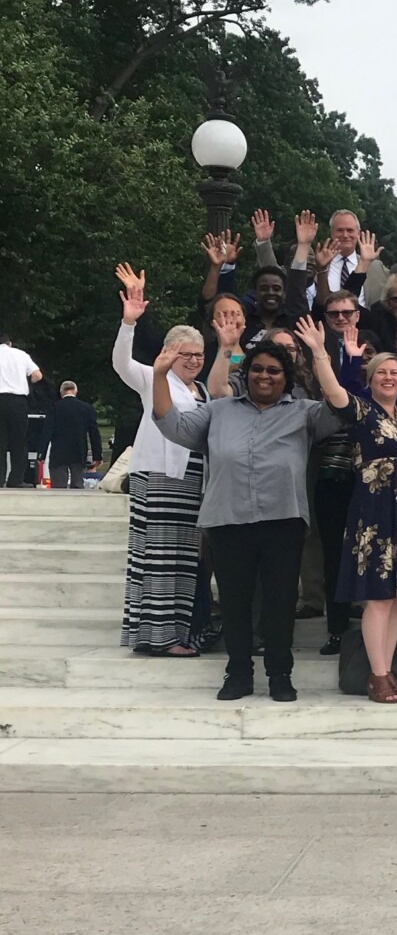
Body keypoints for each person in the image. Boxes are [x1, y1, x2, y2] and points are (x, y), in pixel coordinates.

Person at [152, 336, 344, 702]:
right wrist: (160, 376)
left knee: (280, 601)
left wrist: (320, 354)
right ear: (247, 373)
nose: (264, 376)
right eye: (257, 369)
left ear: (286, 378)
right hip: (228, 520)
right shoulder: (219, 410)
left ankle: (279, 674)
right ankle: (238, 672)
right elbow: (172, 425)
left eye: (273, 370)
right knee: (236, 602)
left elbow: (342, 406)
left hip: (282, 521)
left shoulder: (304, 412)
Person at [295, 316, 397, 704]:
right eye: (381, 372)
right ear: (370, 380)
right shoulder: (363, 412)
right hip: (373, 514)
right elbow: (333, 390)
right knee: (379, 598)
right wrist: (321, 351)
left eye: (393, 372)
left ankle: (386, 671)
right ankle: (377, 675)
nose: (389, 377)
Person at [112, 275, 209, 656]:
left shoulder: (199, 390)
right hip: (158, 478)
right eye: (186, 355)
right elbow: (121, 363)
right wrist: (129, 322)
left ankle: (178, 633)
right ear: (169, 352)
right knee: (157, 557)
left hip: (191, 483)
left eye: (199, 355)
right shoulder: (154, 378)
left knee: (182, 558)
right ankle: (157, 636)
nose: (193, 361)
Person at [39, 381, 101, 488]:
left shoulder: (54, 407)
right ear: (75, 391)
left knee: (59, 486)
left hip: (59, 452)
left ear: (61, 392)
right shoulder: (87, 408)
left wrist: (42, 453)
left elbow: (47, 432)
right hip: (79, 450)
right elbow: (94, 433)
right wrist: (97, 455)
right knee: (77, 484)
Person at [0, 333, 42, 487]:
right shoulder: (21, 354)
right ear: (9, 343)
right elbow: (37, 375)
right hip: (18, 401)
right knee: (19, 441)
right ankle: (15, 480)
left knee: (1, 442)